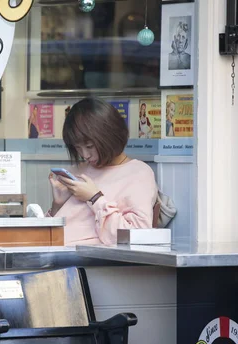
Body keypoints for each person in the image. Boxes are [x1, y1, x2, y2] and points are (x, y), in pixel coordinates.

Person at [47, 98, 157, 245]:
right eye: (78, 148)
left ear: (109, 137)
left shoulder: (138, 173)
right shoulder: (80, 169)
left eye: (89, 146)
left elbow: (137, 237)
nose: (85, 155)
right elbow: (52, 232)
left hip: (83, 261)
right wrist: (57, 205)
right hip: (51, 250)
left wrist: (95, 198)